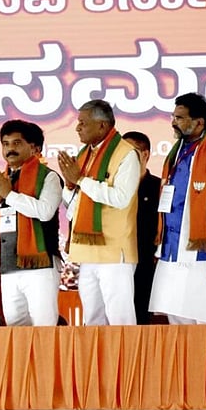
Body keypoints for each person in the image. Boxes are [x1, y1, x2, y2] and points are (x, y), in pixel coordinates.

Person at [58, 99, 139, 325]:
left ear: (102, 126)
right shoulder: (86, 154)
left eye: (83, 123)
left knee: (120, 318)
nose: (77, 128)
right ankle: (99, 361)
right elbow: (74, 208)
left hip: (115, 251)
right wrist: (70, 185)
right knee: (92, 319)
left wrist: (81, 180)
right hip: (88, 253)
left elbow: (120, 198)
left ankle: (126, 360)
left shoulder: (126, 154)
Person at [0, 120, 61, 326]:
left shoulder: (49, 177)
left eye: (16, 143)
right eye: (5, 144)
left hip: (40, 266)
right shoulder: (1, 179)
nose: (9, 149)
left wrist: (10, 195)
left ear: (35, 148)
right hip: (8, 266)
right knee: (15, 328)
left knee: (44, 327)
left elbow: (45, 212)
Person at [150, 93, 206, 324]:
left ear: (199, 122)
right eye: (173, 116)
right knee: (178, 322)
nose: (173, 122)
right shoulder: (177, 151)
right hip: (172, 250)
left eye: (180, 117)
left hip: (205, 256)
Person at [122, 131, 161, 325]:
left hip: (148, 262)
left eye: (130, 152)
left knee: (143, 317)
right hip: (118, 261)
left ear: (145, 155)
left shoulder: (160, 187)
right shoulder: (112, 186)